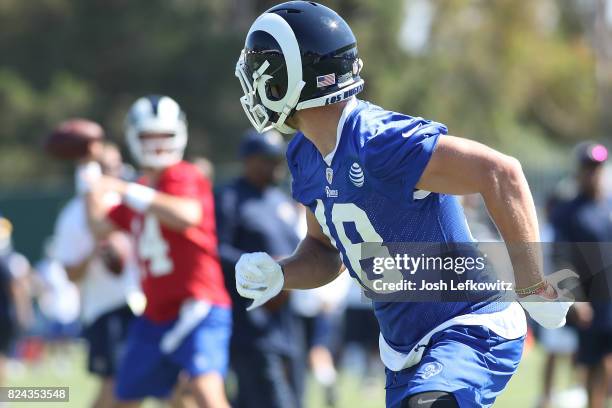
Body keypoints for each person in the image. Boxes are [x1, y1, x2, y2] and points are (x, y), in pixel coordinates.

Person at [233, 2, 572, 407]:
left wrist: (532, 281)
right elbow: (325, 251)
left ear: (295, 76)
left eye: (263, 70)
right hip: (404, 349)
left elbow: (502, 173)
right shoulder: (303, 155)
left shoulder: (379, 141)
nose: (254, 84)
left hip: (469, 324)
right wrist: (279, 273)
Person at [85, 95, 232, 407]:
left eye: (164, 135)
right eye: (149, 136)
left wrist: (124, 189)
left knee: (207, 392)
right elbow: (100, 226)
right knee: (124, 397)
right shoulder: (139, 189)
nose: (157, 144)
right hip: (155, 313)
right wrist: (89, 183)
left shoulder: (182, 175)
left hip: (198, 305)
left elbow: (186, 215)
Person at [215, 129, 306, 408]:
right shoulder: (229, 198)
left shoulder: (281, 202)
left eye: (279, 158)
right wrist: (263, 269)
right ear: (248, 160)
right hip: (249, 323)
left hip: (286, 322)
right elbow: (216, 250)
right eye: (268, 158)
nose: (276, 164)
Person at [52, 136, 140, 408]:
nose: (116, 170)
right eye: (107, 165)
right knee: (114, 386)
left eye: (116, 164)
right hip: (104, 309)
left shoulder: (129, 203)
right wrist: (95, 249)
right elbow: (70, 274)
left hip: (139, 303)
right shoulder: (72, 215)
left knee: (135, 387)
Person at [550, 142, 612, 408]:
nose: (593, 174)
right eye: (588, 168)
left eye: (597, 168)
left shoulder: (609, 206)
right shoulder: (567, 213)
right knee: (595, 362)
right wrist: (576, 297)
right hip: (592, 302)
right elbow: (560, 257)